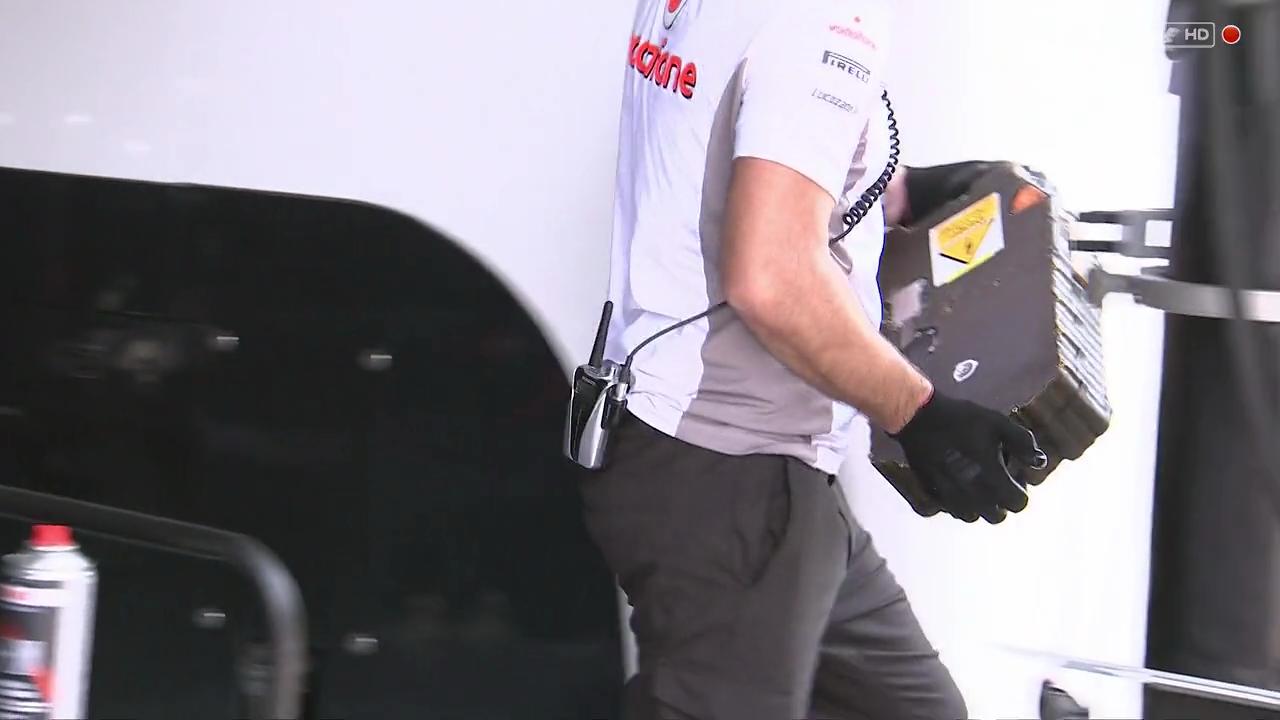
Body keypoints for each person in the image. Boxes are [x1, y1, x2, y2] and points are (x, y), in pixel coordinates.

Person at [578, 0, 1048, 718]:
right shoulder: (825, 17)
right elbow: (772, 277)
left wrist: (895, 188)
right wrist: (919, 414)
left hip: (691, 443)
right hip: (735, 475)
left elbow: (743, 138)